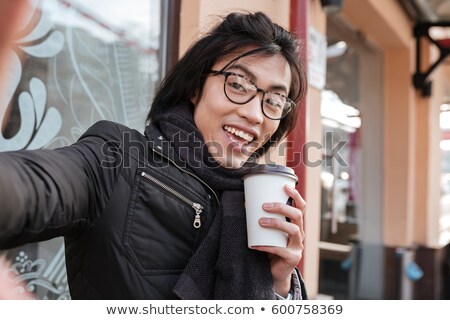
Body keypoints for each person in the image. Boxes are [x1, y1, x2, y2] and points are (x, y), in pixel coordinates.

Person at [0, 11, 308, 299]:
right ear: (196, 87)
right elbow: (29, 187)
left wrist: (280, 284)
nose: (255, 114)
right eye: (238, 85)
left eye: (274, 100)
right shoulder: (116, 158)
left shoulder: (256, 203)